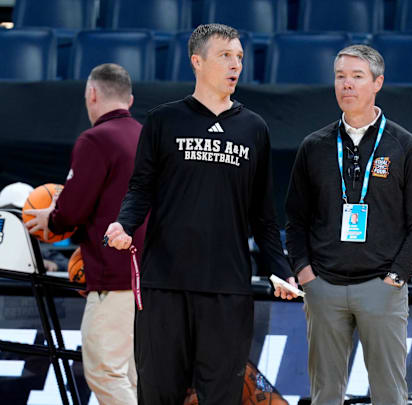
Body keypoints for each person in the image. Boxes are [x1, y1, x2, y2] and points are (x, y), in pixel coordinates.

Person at [104, 23, 298, 405]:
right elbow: (140, 187)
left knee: (222, 398)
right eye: (226, 55)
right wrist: (124, 223)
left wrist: (280, 267)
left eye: (240, 57)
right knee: (158, 395)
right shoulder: (163, 121)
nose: (236, 65)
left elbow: (263, 214)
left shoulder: (254, 128)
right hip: (164, 286)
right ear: (197, 61)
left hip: (227, 287)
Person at [285, 44, 412, 405]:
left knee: (389, 395)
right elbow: (295, 219)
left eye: (356, 77)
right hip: (324, 289)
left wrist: (394, 279)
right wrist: (306, 274)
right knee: (324, 395)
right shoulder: (314, 146)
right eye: (340, 76)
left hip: (380, 287)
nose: (346, 85)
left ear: (377, 82)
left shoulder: (404, 146)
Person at [24, 63, 145, 404]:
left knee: (104, 371)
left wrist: (53, 219)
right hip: (151, 279)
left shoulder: (95, 139)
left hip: (115, 275)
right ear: (130, 100)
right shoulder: (146, 137)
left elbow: (73, 210)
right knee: (137, 376)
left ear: (92, 94)